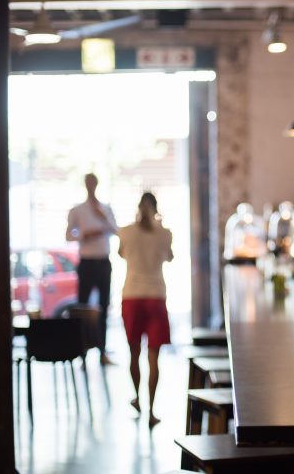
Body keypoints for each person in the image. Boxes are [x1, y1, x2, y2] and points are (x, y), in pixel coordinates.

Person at [118, 192, 173, 428]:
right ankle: (151, 411)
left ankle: (138, 399)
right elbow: (170, 257)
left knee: (133, 352)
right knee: (154, 357)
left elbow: (121, 254)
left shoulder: (126, 231)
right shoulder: (165, 234)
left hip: (132, 295)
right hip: (156, 296)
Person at [66, 173, 118, 366]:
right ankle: (82, 353)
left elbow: (116, 230)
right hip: (87, 263)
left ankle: (103, 352)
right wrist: (84, 235)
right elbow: (69, 235)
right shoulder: (77, 210)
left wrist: (102, 216)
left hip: (103, 262)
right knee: (82, 309)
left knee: (103, 308)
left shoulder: (105, 208)